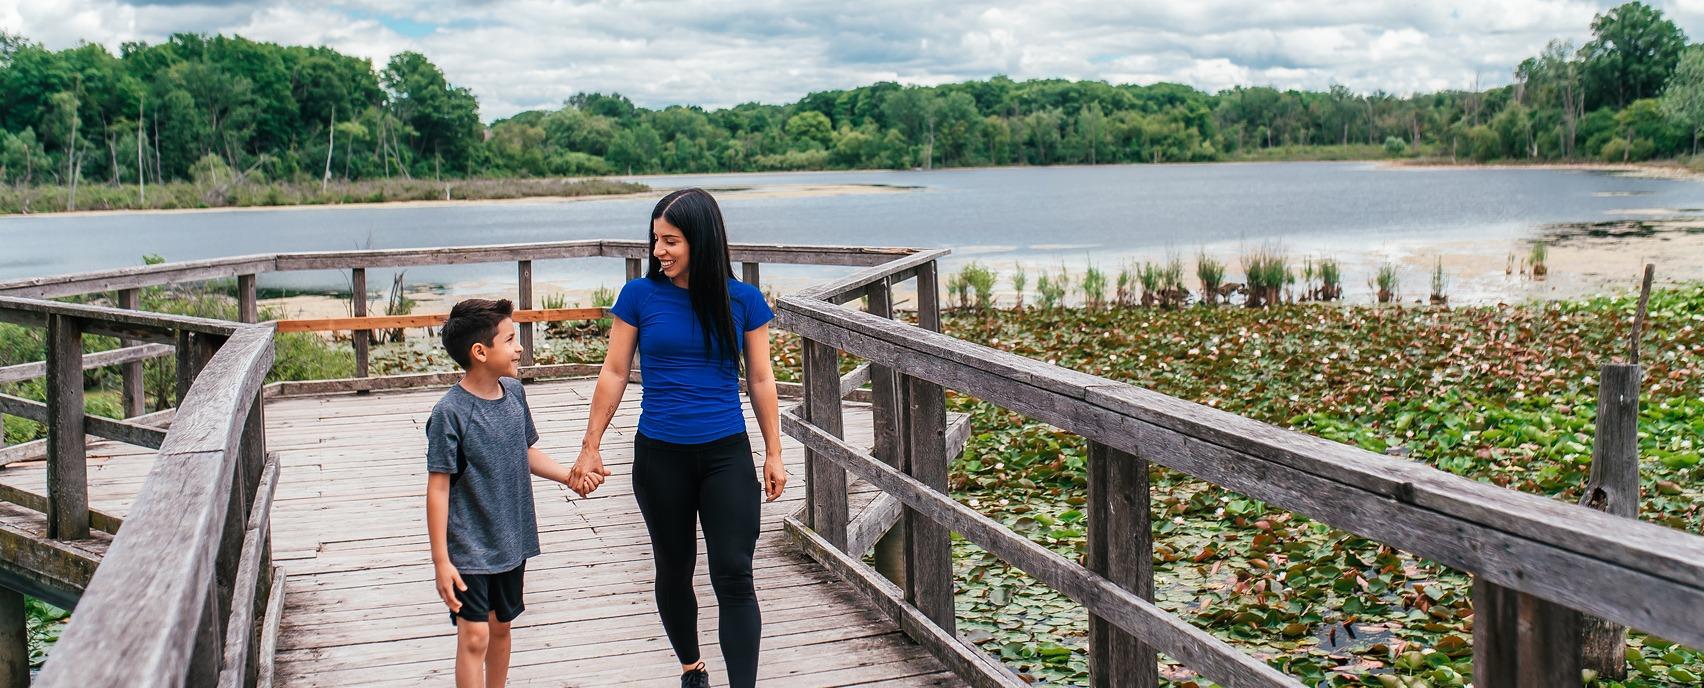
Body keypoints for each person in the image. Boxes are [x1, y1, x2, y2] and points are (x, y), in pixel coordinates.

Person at [570, 188, 786, 688]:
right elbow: (615, 370)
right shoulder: (639, 296)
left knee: (734, 574)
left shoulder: (743, 300)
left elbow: (760, 378)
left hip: (725, 455)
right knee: (673, 569)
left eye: (671, 241)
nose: (659, 251)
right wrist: (591, 443)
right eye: (655, 240)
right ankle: (692, 669)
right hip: (660, 456)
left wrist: (773, 452)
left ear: (702, 240)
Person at [425, 298, 602, 688]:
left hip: (511, 537)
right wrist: (441, 560)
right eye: (509, 339)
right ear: (480, 352)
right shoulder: (449, 413)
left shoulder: (515, 393)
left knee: (501, 627)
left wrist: (569, 476)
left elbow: (525, 451)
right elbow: (438, 488)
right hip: (469, 546)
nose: (519, 347)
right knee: (474, 637)